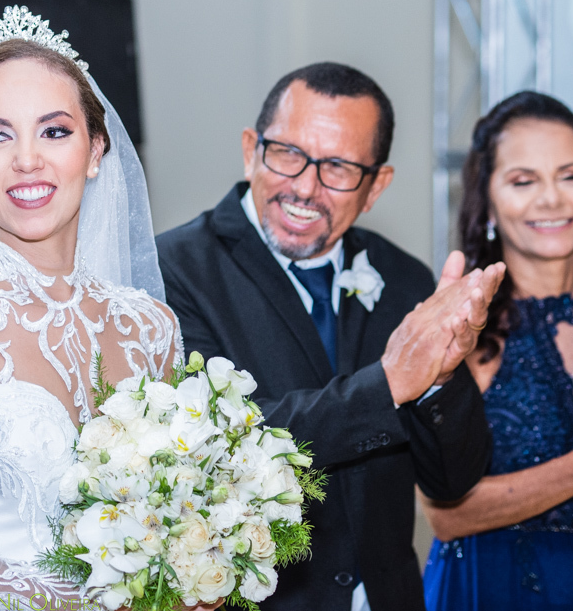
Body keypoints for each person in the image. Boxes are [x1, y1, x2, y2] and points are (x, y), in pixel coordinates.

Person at [155, 63, 503, 611]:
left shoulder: (405, 280)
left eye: (338, 167)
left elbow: (452, 482)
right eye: (287, 153)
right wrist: (390, 383)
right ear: (250, 150)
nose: (304, 186)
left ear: (376, 186)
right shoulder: (173, 271)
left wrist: (441, 379)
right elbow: (222, 447)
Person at [0, 7, 183, 605]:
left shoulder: (152, 328)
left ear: (95, 150)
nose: (27, 159)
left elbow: (171, 520)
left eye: (54, 131)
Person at [421, 91, 573, 610]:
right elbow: (445, 515)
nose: (551, 199)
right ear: (488, 204)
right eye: (523, 181)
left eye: (570, 175)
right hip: (494, 590)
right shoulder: (461, 330)